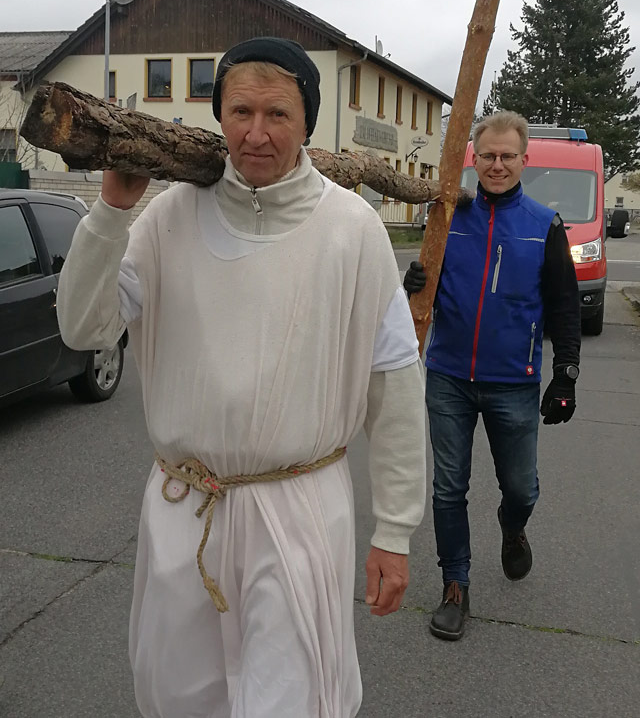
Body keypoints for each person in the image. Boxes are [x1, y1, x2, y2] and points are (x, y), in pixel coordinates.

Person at [57, 37, 426, 717]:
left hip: (299, 507)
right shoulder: (168, 218)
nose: (256, 133)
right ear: (219, 115)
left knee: (290, 697)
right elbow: (84, 328)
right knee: (177, 694)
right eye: (240, 111)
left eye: (277, 114)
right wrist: (111, 212)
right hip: (182, 506)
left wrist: (394, 532)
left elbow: (395, 386)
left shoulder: (353, 231)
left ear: (307, 122)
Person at [403, 110, 580, 642]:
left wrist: (566, 374)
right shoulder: (448, 216)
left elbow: (566, 306)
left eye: (507, 156)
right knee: (448, 488)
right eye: (488, 155)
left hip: (514, 381)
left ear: (525, 159)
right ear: (473, 158)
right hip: (449, 375)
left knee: (521, 487)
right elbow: (421, 288)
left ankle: (513, 525)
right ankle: (455, 585)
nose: (497, 164)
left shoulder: (543, 225)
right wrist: (412, 280)